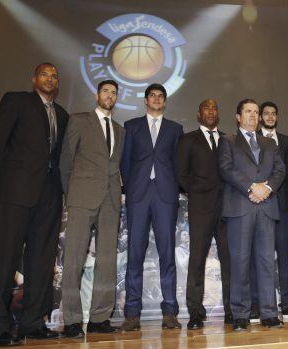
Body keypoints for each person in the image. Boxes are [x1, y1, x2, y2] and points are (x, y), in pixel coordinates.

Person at [0, 62, 69, 346]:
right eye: (45, 74)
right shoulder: (15, 101)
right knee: (5, 258)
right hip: (16, 193)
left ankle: (32, 322)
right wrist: (3, 184)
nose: (50, 78)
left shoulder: (62, 114)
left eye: (54, 76)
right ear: (34, 79)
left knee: (42, 261)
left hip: (49, 196)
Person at [59, 79, 125, 337]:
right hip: (82, 198)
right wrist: (72, 193)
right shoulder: (79, 120)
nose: (110, 95)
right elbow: (66, 161)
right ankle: (73, 321)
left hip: (110, 200)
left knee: (107, 261)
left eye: (114, 92)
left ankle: (100, 318)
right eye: (106, 91)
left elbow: (115, 165)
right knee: (74, 258)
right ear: (97, 95)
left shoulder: (120, 130)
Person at [120, 84, 184, 330]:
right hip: (138, 195)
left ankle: (170, 311)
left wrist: (174, 189)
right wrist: (130, 190)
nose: (156, 99)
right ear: (146, 100)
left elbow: (178, 164)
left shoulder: (175, 129)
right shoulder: (131, 126)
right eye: (152, 96)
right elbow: (125, 163)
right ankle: (132, 313)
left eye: (160, 96)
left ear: (165, 102)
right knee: (135, 253)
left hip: (165, 196)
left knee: (167, 254)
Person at [218, 99, 285, 331]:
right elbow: (226, 169)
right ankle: (240, 314)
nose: (253, 116)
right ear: (238, 116)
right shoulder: (227, 140)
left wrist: (266, 189)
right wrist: (251, 187)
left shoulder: (269, 143)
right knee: (240, 262)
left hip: (266, 207)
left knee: (267, 261)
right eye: (248, 112)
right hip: (240, 207)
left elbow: (280, 170)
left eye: (256, 112)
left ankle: (269, 313)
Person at [176, 99, 232, 329]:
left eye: (214, 108)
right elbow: (181, 173)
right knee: (197, 260)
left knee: (230, 260)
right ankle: (196, 313)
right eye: (206, 108)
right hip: (201, 207)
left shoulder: (229, 139)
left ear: (218, 113)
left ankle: (232, 309)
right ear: (198, 114)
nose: (211, 111)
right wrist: (197, 192)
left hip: (228, 208)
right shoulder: (188, 139)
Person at [250, 101, 288, 320]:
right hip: (259, 204)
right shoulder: (252, 139)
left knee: (284, 256)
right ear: (261, 118)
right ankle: (257, 304)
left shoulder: (287, 141)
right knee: (258, 257)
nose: (271, 117)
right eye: (266, 114)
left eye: (274, 113)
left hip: (283, 206)